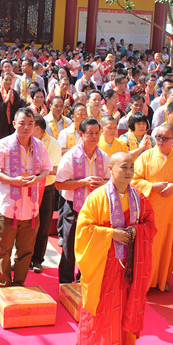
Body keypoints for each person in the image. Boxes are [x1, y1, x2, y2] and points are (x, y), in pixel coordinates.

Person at [75, 151, 156, 345]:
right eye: (124, 167)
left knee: (127, 305)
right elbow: (83, 230)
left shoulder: (139, 197)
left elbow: (150, 226)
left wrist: (136, 231)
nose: (129, 171)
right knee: (103, 307)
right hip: (104, 265)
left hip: (130, 264)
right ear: (110, 169)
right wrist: (111, 234)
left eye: (131, 167)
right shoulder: (97, 197)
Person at [0, 108, 52, 287]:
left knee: (26, 251)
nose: (26, 127)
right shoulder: (4, 144)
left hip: (31, 209)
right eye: (22, 123)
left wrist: (38, 179)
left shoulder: (39, 146)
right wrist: (12, 181)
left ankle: (19, 284)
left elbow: (47, 168)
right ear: (14, 123)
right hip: (9, 207)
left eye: (30, 123)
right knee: (4, 249)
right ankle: (4, 283)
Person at [132, 123, 173, 291]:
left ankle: (161, 280)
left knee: (165, 247)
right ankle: (143, 282)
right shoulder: (146, 157)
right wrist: (152, 186)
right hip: (148, 214)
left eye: (165, 138)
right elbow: (134, 181)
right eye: (158, 137)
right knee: (147, 248)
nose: (160, 141)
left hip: (169, 214)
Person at [55, 118, 111, 284]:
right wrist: (83, 182)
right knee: (69, 246)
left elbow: (110, 180)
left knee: (91, 246)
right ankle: (65, 281)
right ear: (81, 134)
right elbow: (59, 184)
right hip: (73, 206)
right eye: (90, 133)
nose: (94, 137)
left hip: (95, 207)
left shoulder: (104, 157)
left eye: (97, 133)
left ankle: (83, 279)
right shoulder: (71, 156)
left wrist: (103, 183)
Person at [31, 115, 62, 274]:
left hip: (47, 188)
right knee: (25, 225)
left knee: (43, 225)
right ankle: (22, 258)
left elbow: (56, 169)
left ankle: (37, 259)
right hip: (28, 187)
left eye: (31, 126)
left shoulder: (53, 144)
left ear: (38, 128)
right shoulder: (26, 141)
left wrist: (38, 172)